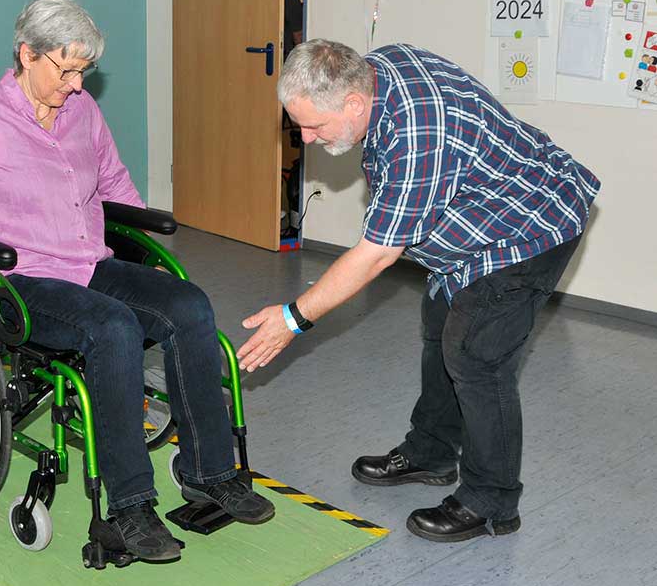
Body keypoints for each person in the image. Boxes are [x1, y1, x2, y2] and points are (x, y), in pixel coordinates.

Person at [0, 0, 274, 563]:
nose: (77, 84)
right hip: (19, 280)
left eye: (84, 70)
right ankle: (130, 508)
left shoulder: (82, 111)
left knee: (187, 304)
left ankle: (209, 472)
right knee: (113, 328)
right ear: (27, 54)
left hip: (88, 264)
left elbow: (113, 184)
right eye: (66, 69)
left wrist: (142, 255)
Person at [237, 39, 600, 543]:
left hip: (530, 227)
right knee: (440, 330)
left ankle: (492, 502)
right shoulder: (374, 68)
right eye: (298, 123)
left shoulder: (418, 135)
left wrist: (293, 318)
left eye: (315, 125)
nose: (307, 137)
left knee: (475, 356)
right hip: (477, 223)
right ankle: (430, 452)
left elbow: (378, 253)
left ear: (355, 104)